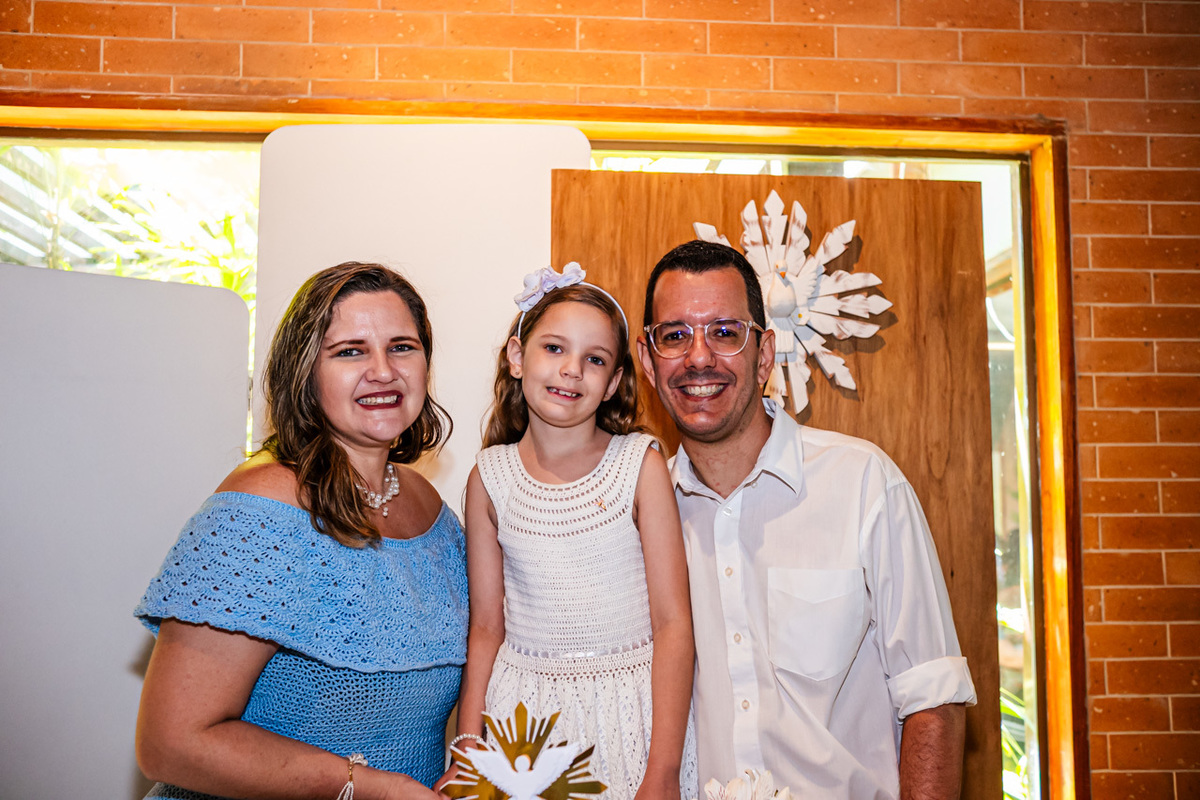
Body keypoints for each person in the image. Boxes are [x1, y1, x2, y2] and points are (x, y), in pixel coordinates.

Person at [636, 240, 978, 800]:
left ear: (765, 354)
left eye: (725, 332)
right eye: (675, 335)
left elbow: (932, 698)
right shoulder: (640, 518)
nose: (699, 357)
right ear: (649, 362)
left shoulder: (864, 483)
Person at [133, 262, 467, 800]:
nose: (383, 371)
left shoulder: (430, 510)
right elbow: (172, 743)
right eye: (350, 351)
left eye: (402, 346)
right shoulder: (258, 508)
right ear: (305, 371)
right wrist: (369, 788)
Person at [439, 263, 697, 800]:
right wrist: (467, 749)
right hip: (522, 723)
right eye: (554, 348)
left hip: (631, 718)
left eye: (594, 359)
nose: (571, 370)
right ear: (517, 357)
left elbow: (674, 624)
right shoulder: (489, 478)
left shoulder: (640, 465)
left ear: (614, 383)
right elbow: (487, 629)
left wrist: (664, 772)